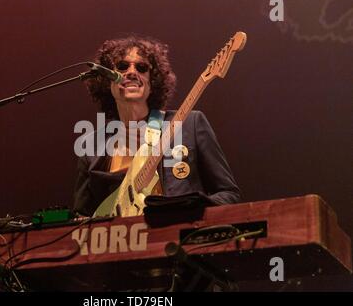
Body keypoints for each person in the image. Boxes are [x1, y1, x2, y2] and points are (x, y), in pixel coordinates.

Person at [72, 35, 241, 217]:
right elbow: (80, 218)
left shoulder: (189, 124)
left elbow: (229, 194)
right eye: (122, 66)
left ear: (152, 83)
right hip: (119, 242)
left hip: (177, 240)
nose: (132, 72)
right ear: (107, 81)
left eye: (142, 67)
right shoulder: (93, 146)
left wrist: (192, 207)